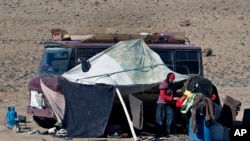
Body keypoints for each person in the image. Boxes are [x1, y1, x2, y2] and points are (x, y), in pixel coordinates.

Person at [154, 72, 181, 140]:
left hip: (169, 103)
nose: (172, 80)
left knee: (170, 118)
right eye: (171, 79)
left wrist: (176, 91)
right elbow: (163, 96)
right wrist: (173, 98)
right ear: (168, 78)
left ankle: (167, 133)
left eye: (173, 79)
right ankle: (158, 135)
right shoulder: (163, 84)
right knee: (160, 119)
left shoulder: (171, 84)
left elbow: (171, 91)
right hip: (161, 104)